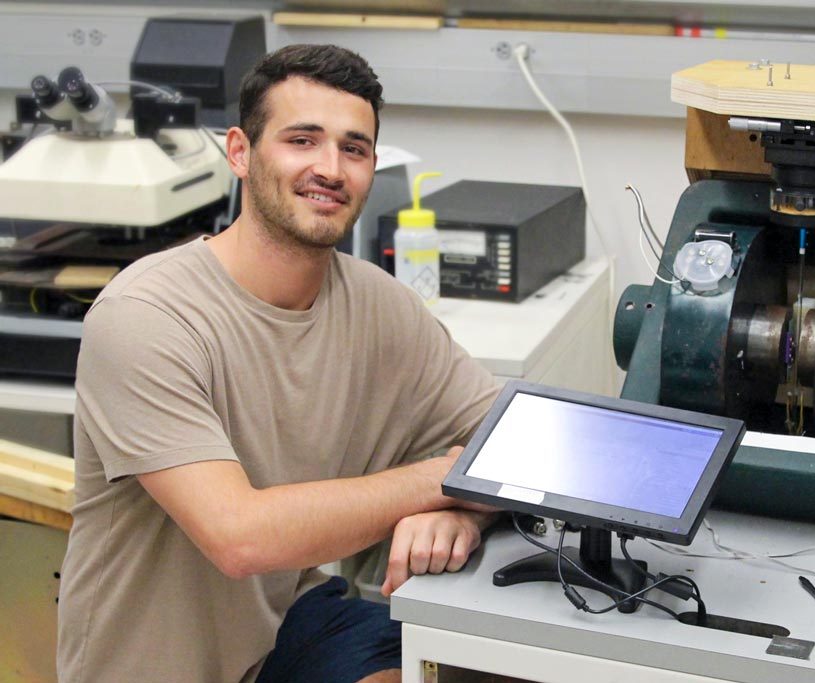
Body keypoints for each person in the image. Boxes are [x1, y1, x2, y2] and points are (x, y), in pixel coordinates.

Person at [56, 44, 500, 683]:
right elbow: (241, 539)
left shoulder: (378, 304)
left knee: (472, 668)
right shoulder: (146, 314)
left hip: (285, 624)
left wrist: (455, 511)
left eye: (354, 148)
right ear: (240, 151)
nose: (330, 168)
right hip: (156, 669)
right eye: (302, 140)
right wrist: (448, 480)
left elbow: (513, 441)